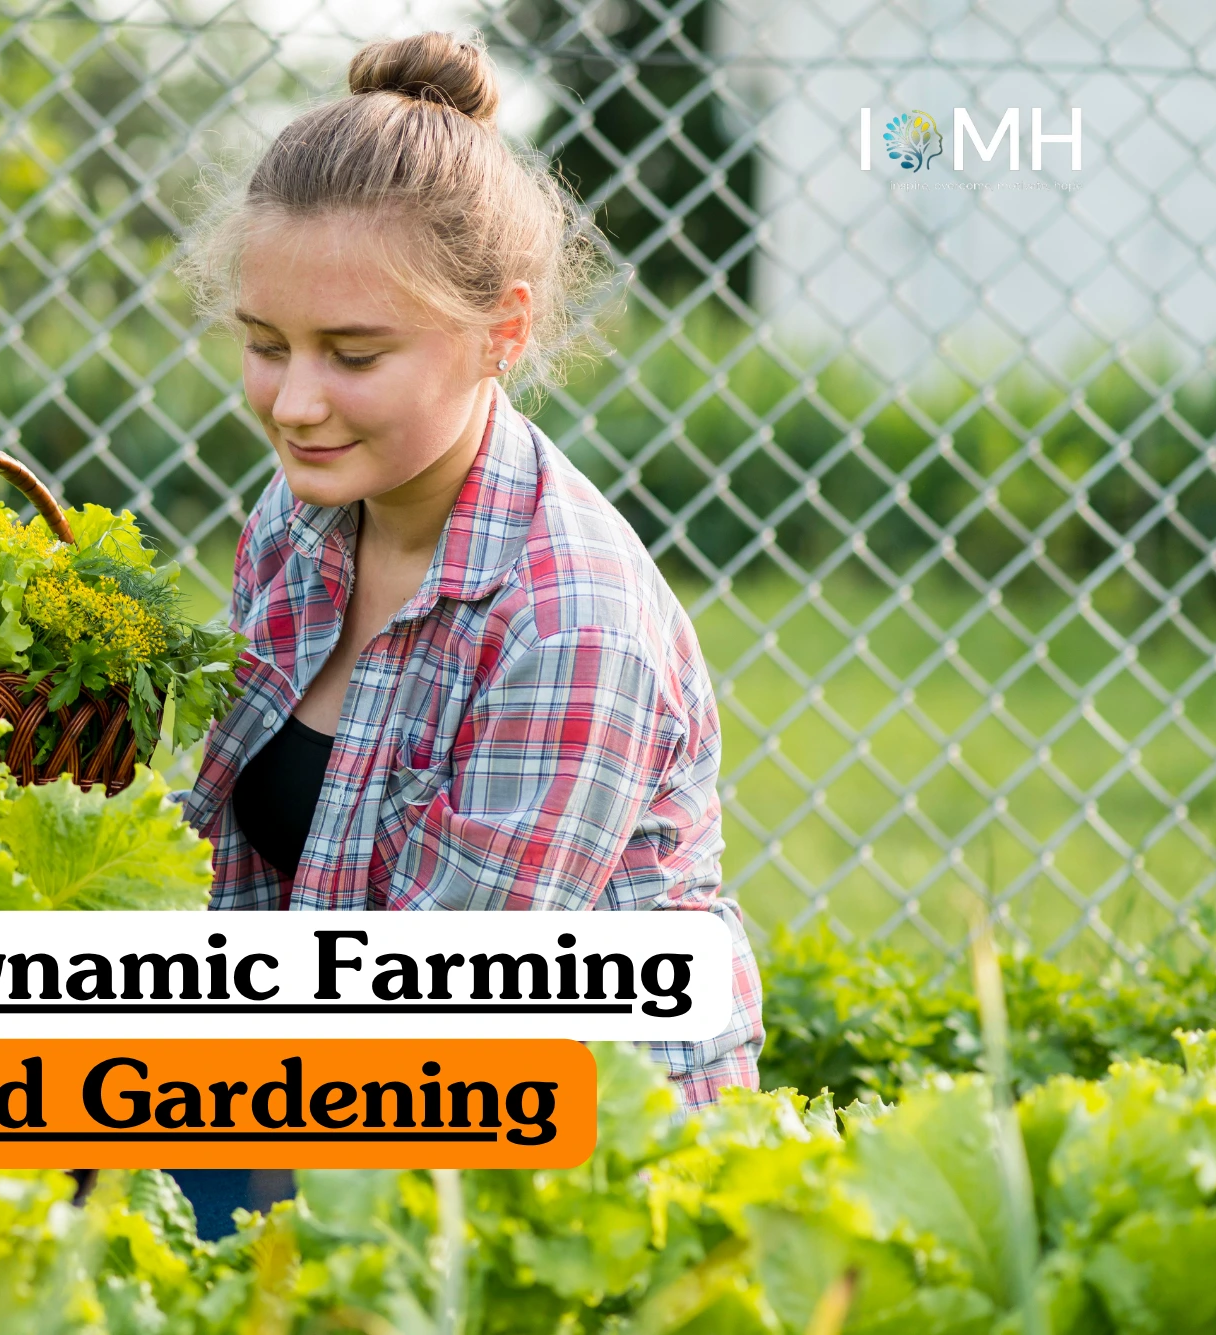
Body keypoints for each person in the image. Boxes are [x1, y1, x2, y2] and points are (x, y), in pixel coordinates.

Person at [163, 29, 764, 1233]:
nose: (292, 402)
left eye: (353, 353)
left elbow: (435, 1011)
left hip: (554, 1169)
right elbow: (232, 874)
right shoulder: (299, 519)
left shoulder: (568, 618)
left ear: (501, 331)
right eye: (264, 344)